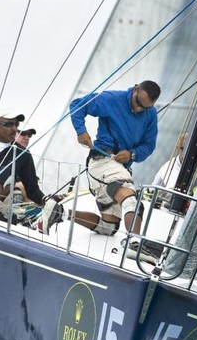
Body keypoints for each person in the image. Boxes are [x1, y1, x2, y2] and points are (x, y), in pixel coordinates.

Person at [69, 81, 161, 262]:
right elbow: (77, 105)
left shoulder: (150, 114)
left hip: (121, 168)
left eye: (145, 107)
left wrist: (132, 154)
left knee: (108, 227)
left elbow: (149, 145)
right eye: (138, 103)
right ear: (135, 89)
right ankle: (134, 243)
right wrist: (81, 131)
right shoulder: (112, 99)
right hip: (102, 161)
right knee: (131, 200)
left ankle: (61, 212)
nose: (139, 109)